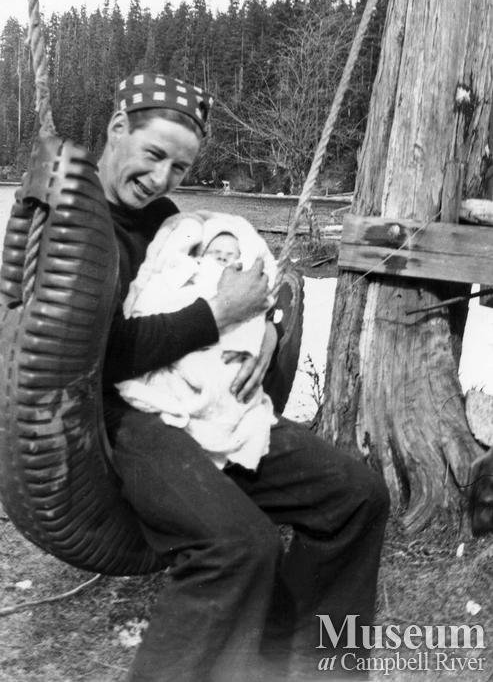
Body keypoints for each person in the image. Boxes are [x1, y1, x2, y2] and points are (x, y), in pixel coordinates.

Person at [98, 72, 390, 682]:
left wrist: (266, 329)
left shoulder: (165, 220)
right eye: (154, 154)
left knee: (356, 495)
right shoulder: (80, 231)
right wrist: (217, 315)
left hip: (212, 402)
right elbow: (99, 356)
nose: (161, 179)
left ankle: (309, 666)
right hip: (126, 422)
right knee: (239, 546)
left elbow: (240, 284)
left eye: (179, 168)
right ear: (117, 128)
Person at [115, 211, 279, 471]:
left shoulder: (164, 214)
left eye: (230, 254)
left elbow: (253, 304)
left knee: (347, 478)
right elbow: (117, 345)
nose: (223, 258)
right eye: (216, 252)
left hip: (228, 376)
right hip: (124, 410)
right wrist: (220, 310)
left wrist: (267, 332)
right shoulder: (87, 231)